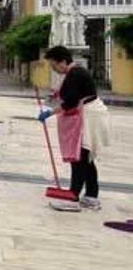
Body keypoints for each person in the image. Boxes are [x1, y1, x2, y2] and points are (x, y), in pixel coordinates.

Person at [38, 46, 111, 212]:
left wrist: (50, 112)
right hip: (91, 114)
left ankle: (73, 196)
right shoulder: (75, 73)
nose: (53, 69)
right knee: (86, 158)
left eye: (54, 65)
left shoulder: (74, 74)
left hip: (88, 117)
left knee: (79, 157)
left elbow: (70, 101)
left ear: (63, 61)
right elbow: (70, 94)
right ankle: (91, 196)